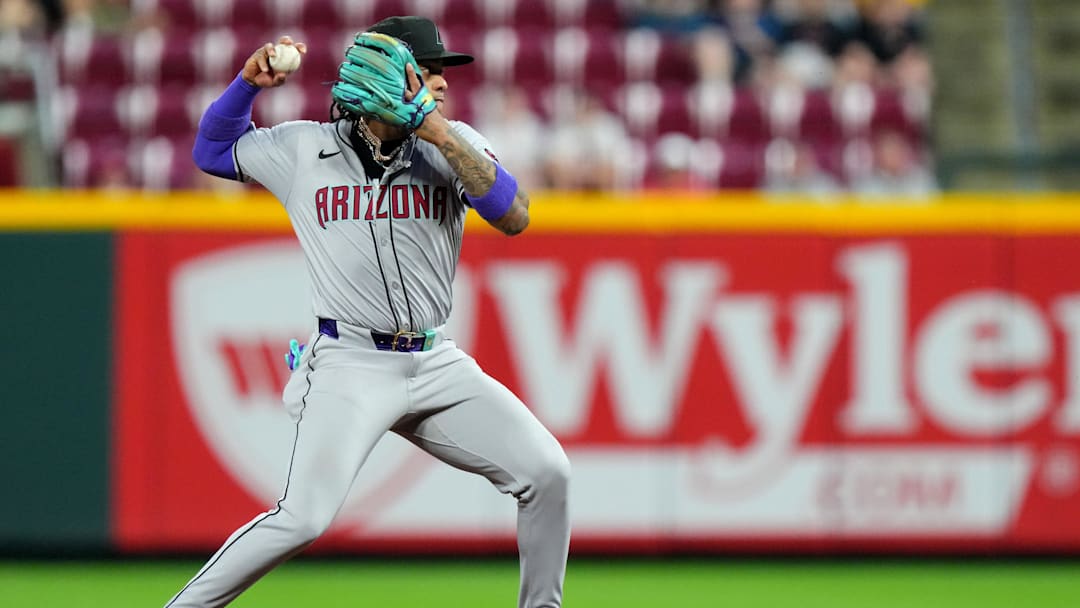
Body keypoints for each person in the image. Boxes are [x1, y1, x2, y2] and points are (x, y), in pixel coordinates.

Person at [167, 15, 571, 608]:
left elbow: (514, 215)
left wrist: (438, 133)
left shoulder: (453, 142)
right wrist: (247, 86)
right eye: (427, 72)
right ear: (384, 78)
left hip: (436, 363)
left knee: (548, 473)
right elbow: (211, 150)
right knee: (302, 519)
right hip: (349, 361)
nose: (442, 84)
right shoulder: (305, 148)